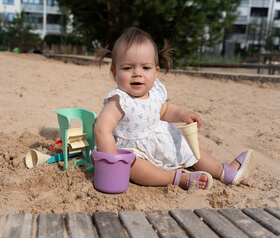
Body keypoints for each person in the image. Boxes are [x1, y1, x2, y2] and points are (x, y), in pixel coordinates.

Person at [94, 27, 255, 190]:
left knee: (187, 144)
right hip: (134, 148)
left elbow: (164, 110)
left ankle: (223, 172)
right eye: (128, 68)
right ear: (114, 72)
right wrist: (112, 162)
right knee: (132, 164)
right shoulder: (119, 100)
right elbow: (102, 129)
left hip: (159, 140)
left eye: (146, 68)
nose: (137, 73)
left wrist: (184, 115)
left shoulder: (154, 92)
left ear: (156, 72)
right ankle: (177, 178)